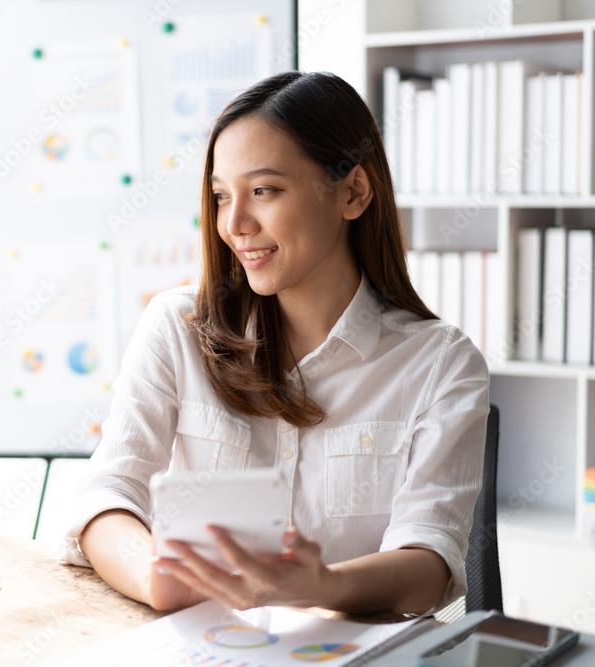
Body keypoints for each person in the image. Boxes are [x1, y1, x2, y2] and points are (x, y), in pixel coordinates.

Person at [62, 71, 489, 616]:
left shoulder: (441, 364)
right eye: (221, 196)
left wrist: (321, 585)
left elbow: (430, 562)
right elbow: (106, 494)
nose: (234, 223)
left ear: (353, 192)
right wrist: (154, 574)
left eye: (263, 190)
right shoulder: (177, 327)